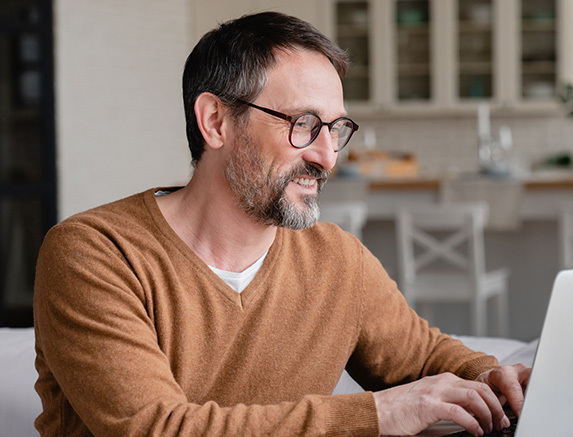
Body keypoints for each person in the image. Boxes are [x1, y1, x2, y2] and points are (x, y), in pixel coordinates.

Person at [33, 11, 530, 436]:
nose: (327, 156)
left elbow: (421, 357)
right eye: (305, 125)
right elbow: (157, 427)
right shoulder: (92, 254)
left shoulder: (337, 259)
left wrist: (492, 377)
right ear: (216, 122)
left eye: (336, 129)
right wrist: (378, 414)